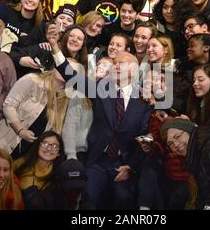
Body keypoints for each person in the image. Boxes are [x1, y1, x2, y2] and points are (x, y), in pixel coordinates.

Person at [47, 22, 152, 209]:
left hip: (124, 163)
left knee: (123, 199)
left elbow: (144, 136)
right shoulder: (100, 89)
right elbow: (72, 76)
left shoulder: (144, 101)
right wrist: (55, 47)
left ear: (134, 71)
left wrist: (131, 167)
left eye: (122, 64)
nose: (116, 67)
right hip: (97, 160)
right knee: (89, 198)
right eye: (115, 63)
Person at [13, 131, 65, 209]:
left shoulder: (59, 176)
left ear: (58, 153)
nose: (49, 148)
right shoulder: (21, 164)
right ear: (38, 146)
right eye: (45, 143)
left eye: (55, 146)